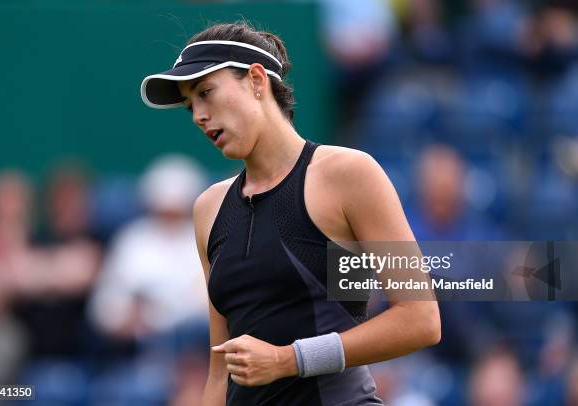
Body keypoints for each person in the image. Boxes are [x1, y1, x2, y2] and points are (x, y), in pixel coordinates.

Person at [141, 21, 440, 406]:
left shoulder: (349, 173)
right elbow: (220, 373)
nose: (198, 115)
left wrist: (288, 360)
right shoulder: (208, 208)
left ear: (255, 80)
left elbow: (420, 320)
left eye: (206, 93)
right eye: (190, 105)